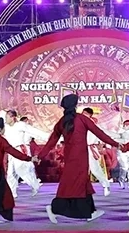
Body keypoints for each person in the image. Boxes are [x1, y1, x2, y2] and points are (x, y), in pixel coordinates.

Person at [37, 94, 122, 223]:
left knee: (80, 182)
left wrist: (40, 156)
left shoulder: (62, 122)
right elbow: (100, 133)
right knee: (77, 183)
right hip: (81, 157)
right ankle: (56, 208)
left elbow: (51, 142)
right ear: (75, 105)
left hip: (70, 156)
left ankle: (91, 211)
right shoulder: (82, 119)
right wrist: (115, 144)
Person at [2, 110, 49, 198]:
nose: (6, 119)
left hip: (20, 149)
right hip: (11, 152)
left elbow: (34, 131)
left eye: (7, 117)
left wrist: (48, 137)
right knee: (10, 173)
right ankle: (12, 193)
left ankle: (35, 185)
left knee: (23, 171)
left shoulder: (20, 125)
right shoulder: (5, 127)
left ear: (13, 117)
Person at [82, 108, 113, 196]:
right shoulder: (79, 123)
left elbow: (102, 134)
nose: (83, 115)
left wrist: (104, 146)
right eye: (82, 113)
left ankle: (105, 185)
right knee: (81, 169)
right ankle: (82, 189)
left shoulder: (94, 124)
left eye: (85, 113)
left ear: (89, 115)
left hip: (91, 148)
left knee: (95, 169)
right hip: (81, 148)